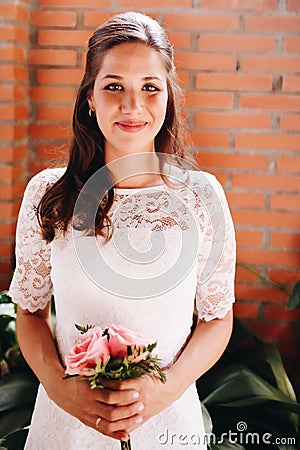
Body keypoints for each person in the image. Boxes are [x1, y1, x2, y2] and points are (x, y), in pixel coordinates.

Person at [8, 11, 236, 450]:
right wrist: (61, 388)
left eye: (150, 88)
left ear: (168, 97)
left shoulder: (201, 197)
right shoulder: (47, 195)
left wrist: (163, 390)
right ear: (90, 98)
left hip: (167, 422)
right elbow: (30, 312)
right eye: (114, 87)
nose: (133, 105)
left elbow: (217, 317)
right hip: (66, 425)